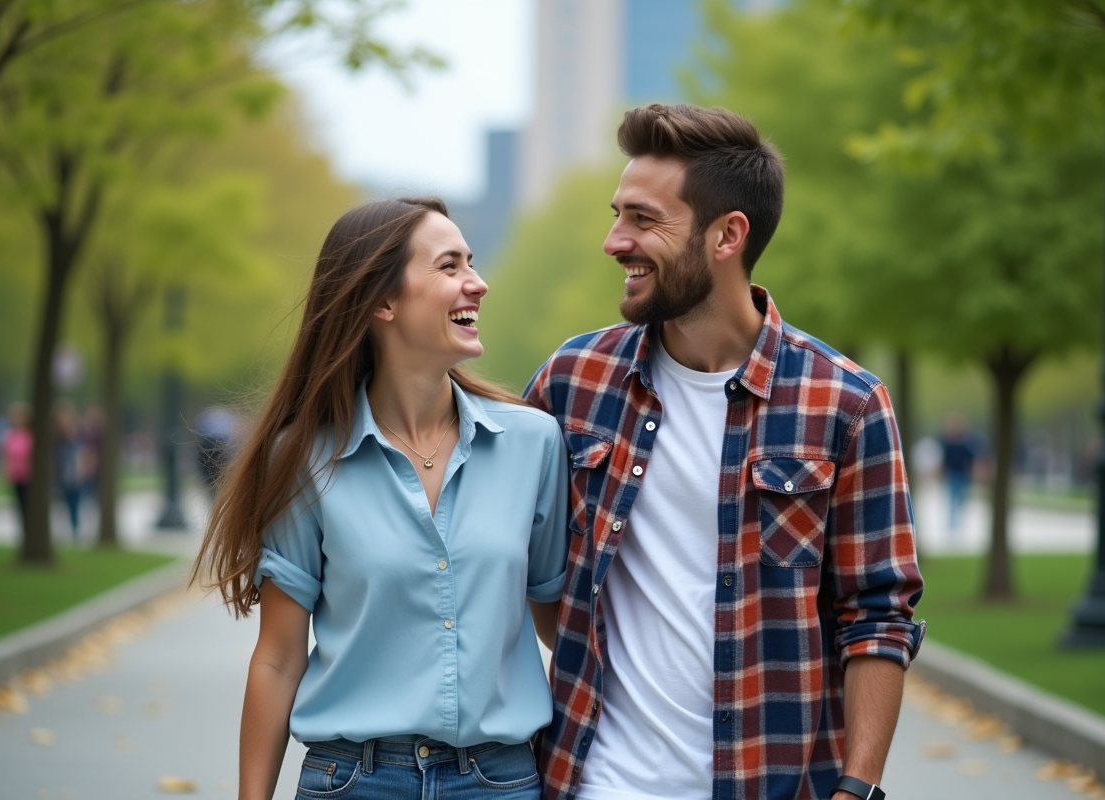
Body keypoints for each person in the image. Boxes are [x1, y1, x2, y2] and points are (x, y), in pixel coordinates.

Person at [525, 104, 924, 800]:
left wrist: (856, 789)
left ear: (727, 235)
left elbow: (878, 616)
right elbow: (526, 559)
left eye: (643, 219)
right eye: (617, 215)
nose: (614, 241)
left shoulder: (847, 403)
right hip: (595, 783)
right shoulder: (573, 381)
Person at [192, 198, 569, 800]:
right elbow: (278, 658)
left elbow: (562, 625)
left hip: (498, 781)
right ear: (383, 302)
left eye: (471, 263)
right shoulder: (304, 460)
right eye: (449, 266)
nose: (478, 283)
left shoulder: (533, 443)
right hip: (353, 781)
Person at [939, 415, 977, 533]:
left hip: (962, 475)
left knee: (961, 499)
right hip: (952, 474)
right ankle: (952, 523)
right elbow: (945, 461)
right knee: (952, 498)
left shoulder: (965, 444)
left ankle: (958, 522)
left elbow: (971, 459)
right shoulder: (948, 445)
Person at [53, 400, 85, 542]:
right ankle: (62, 533)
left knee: (75, 505)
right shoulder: (55, 437)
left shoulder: (78, 433)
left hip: (75, 475)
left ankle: (75, 531)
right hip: (61, 476)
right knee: (61, 505)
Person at [0, 402, 33, 534]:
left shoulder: (30, 434)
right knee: (20, 504)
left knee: (29, 504)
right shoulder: (10, 435)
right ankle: (24, 530)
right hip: (16, 475)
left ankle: (31, 528)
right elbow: (5, 455)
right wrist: (5, 472)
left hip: (30, 475)